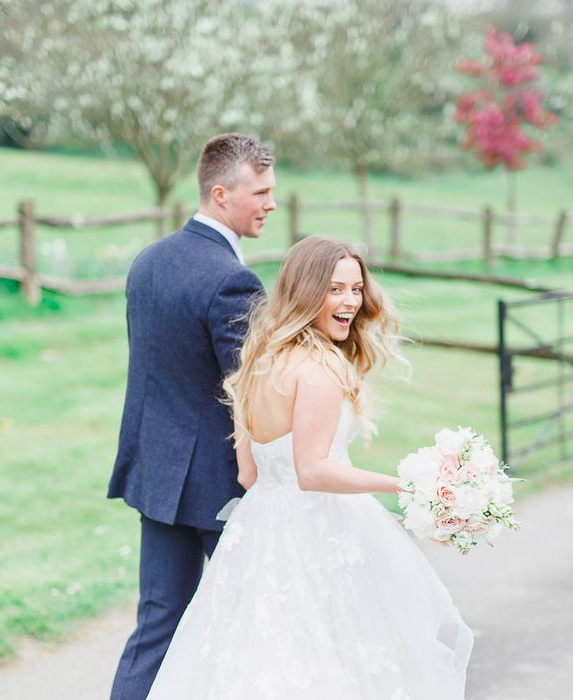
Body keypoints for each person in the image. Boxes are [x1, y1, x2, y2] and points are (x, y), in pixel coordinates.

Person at [145, 236, 474, 699]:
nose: (351, 302)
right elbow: (313, 471)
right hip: (319, 532)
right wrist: (404, 486)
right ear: (306, 291)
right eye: (336, 289)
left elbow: (248, 475)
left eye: (356, 289)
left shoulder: (259, 361)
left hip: (260, 533)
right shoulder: (319, 370)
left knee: (252, 661)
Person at [107, 133, 277, 700]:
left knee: (156, 625)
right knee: (247, 624)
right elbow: (248, 394)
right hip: (218, 485)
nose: (270, 204)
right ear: (221, 194)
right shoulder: (233, 280)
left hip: (157, 476)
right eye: (261, 192)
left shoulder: (148, 261)